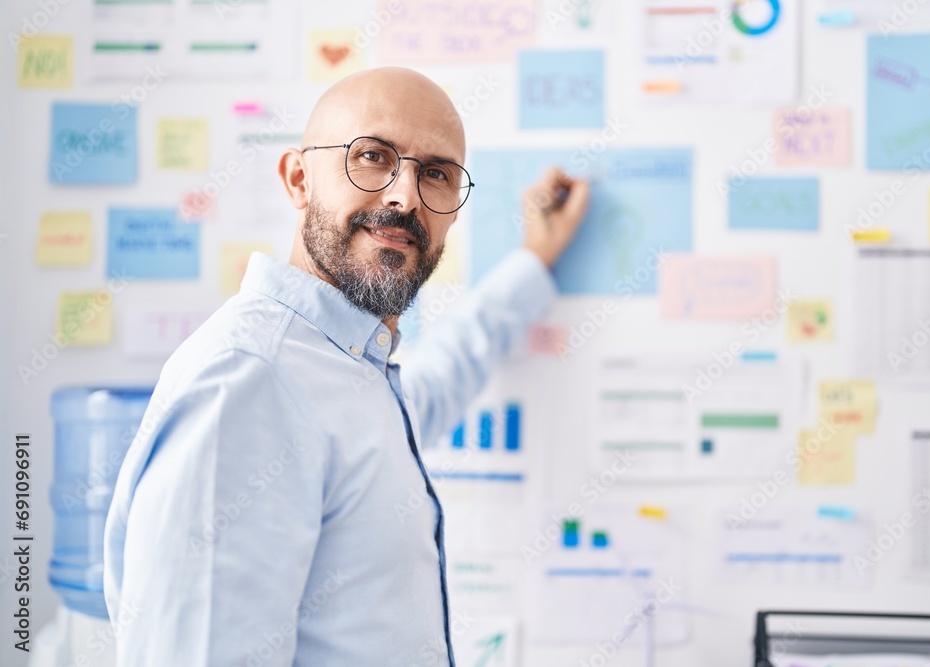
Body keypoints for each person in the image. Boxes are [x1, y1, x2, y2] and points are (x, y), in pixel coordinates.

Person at [103, 67, 589, 666]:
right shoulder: (246, 381)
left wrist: (535, 260)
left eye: (435, 174)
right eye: (372, 157)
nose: (404, 196)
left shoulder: (349, 370)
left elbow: (441, 376)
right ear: (299, 179)